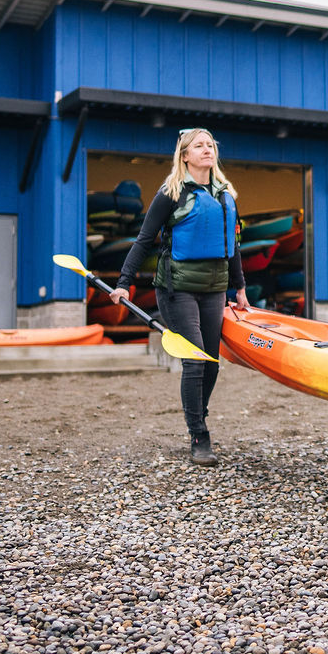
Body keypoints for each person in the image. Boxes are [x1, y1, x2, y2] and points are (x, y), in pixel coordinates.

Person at [111, 128, 244, 467]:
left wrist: (239, 288)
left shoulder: (226, 194)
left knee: (211, 363)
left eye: (211, 145)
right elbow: (143, 240)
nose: (206, 150)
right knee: (195, 360)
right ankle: (199, 435)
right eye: (199, 146)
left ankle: (197, 413)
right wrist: (124, 282)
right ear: (185, 155)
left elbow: (233, 246)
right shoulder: (171, 193)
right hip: (176, 288)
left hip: (215, 288)